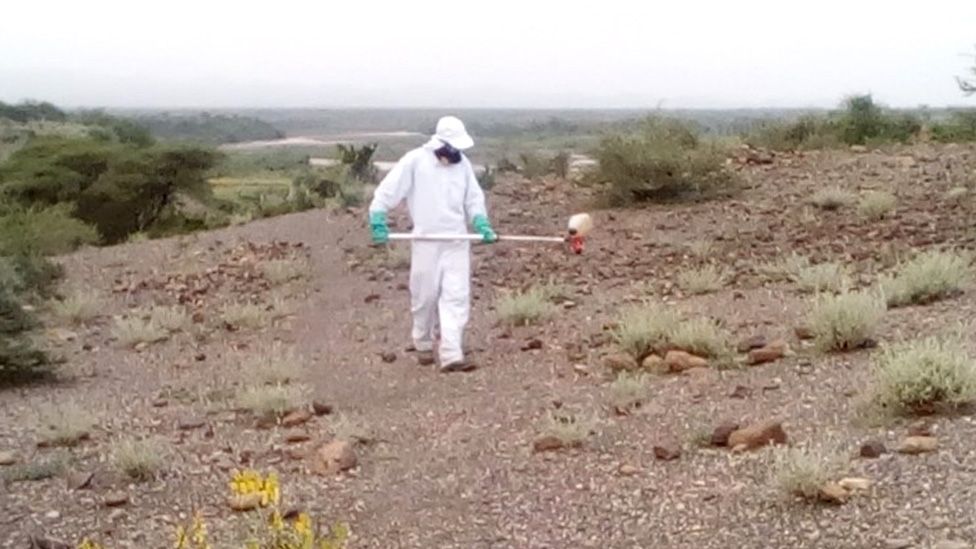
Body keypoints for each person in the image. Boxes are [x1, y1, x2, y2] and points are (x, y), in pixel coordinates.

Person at [367, 116, 497, 373]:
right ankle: (423, 342)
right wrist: (378, 217)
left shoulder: (463, 166)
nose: (455, 153)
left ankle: (451, 353)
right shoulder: (415, 161)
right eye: (452, 147)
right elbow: (388, 191)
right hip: (426, 241)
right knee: (424, 296)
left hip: (456, 241)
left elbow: (473, 198)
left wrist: (481, 221)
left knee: (456, 296)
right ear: (439, 143)